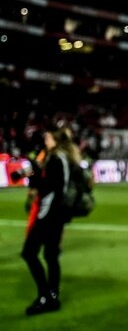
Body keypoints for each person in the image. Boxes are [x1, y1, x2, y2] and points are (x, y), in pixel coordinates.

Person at [18, 127, 76, 315]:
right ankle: (52, 297)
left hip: (49, 213)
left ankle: (45, 295)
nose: (45, 141)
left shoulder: (56, 159)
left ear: (56, 140)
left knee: (29, 252)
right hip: (57, 213)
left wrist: (34, 175)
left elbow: (50, 187)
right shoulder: (62, 157)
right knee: (51, 255)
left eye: (48, 138)